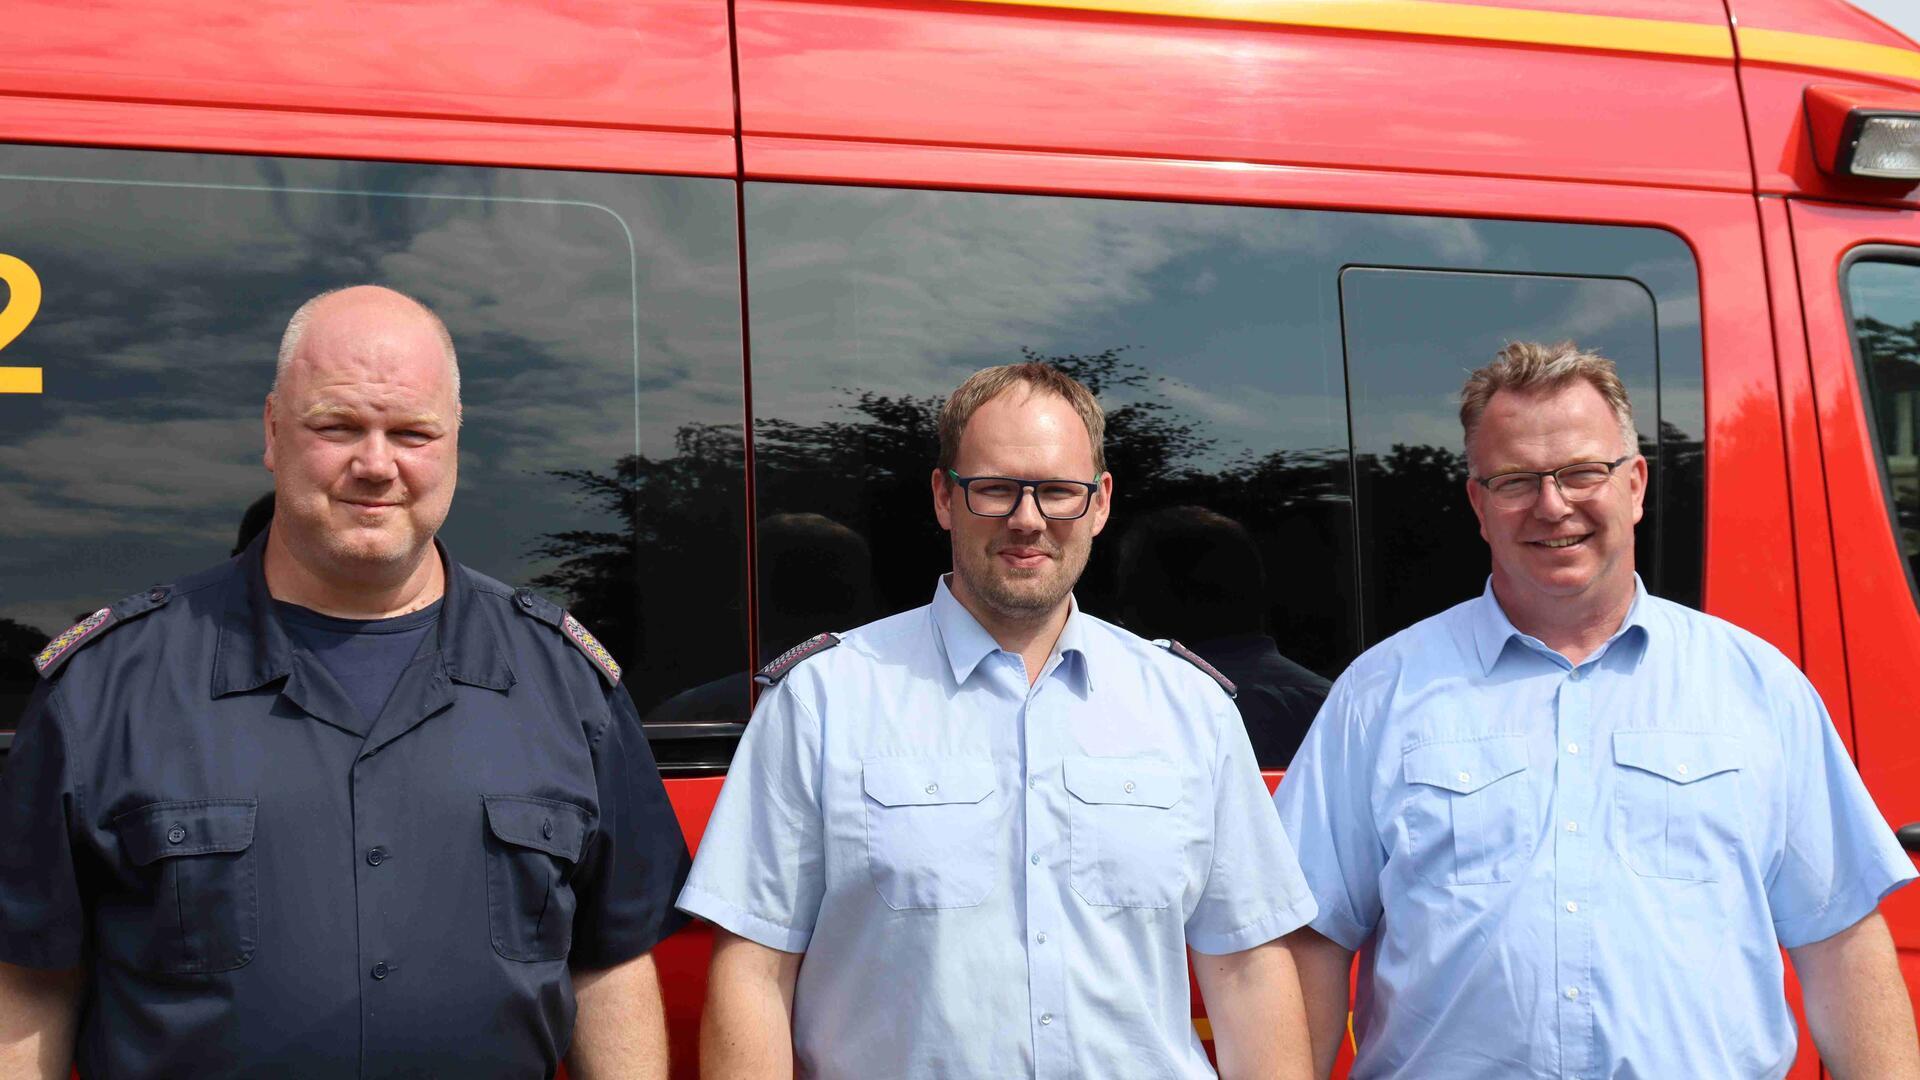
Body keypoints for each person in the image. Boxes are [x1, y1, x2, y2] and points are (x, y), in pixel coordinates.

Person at [0, 285, 691, 1079]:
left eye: (411, 432)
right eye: (337, 426)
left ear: (455, 439)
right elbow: (30, 983)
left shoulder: (566, 684)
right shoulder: (106, 687)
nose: (376, 464)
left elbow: (609, 963)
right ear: (271, 432)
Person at [1274, 341, 1920, 1079]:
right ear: (1478, 504)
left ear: (1636, 484)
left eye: (1582, 472)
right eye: (1516, 480)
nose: (1553, 505)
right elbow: (1309, 942)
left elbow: (1840, 938)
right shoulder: (1381, 694)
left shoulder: (1758, 687)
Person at [680, 362, 1318, 1079]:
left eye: (1056, 491)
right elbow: (754, 972)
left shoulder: (1189, 707)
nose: (1027, 519)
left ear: (1100, 502)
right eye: (994, 489)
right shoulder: (824, 700)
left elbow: (1247, 970)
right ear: (944, 498)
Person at [1116, 504, 1329, 765]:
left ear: (1163, 601)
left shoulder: (1136, 713)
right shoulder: (1334, 706)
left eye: (1131, 596)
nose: (1121, 620)